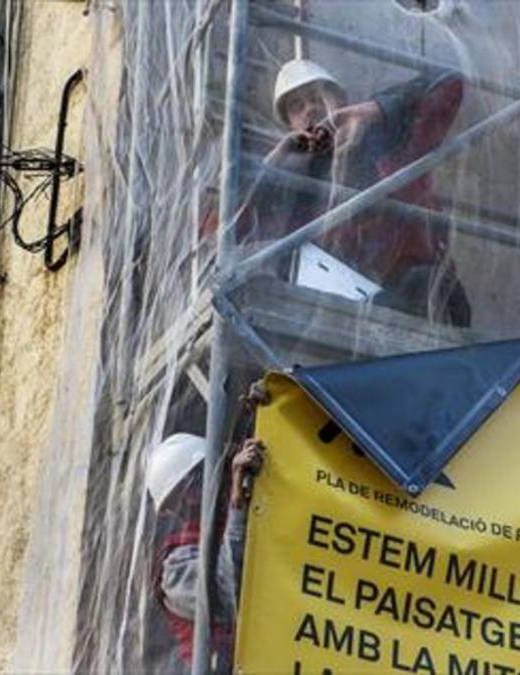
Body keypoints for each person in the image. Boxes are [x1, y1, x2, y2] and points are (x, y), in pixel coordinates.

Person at [228, 58, 472, 327]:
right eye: (298, 107)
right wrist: (271, 169)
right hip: (334, 314)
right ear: (291, 127)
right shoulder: (295, 187)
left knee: (426, 284)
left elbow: (450, 81)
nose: (311, 108)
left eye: (318, 96)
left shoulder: (390, 141)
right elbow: (227, 234)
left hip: (406, 296)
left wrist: (374, 111)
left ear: (341, 100)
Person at [142, 392, 269, 673]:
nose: (199, 494)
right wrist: (238, 501)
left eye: (202, 478)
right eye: (189, 489)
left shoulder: (235, 514)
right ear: (172, 510)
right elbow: (231, 590)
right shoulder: (174, 571)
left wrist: (262, 413)